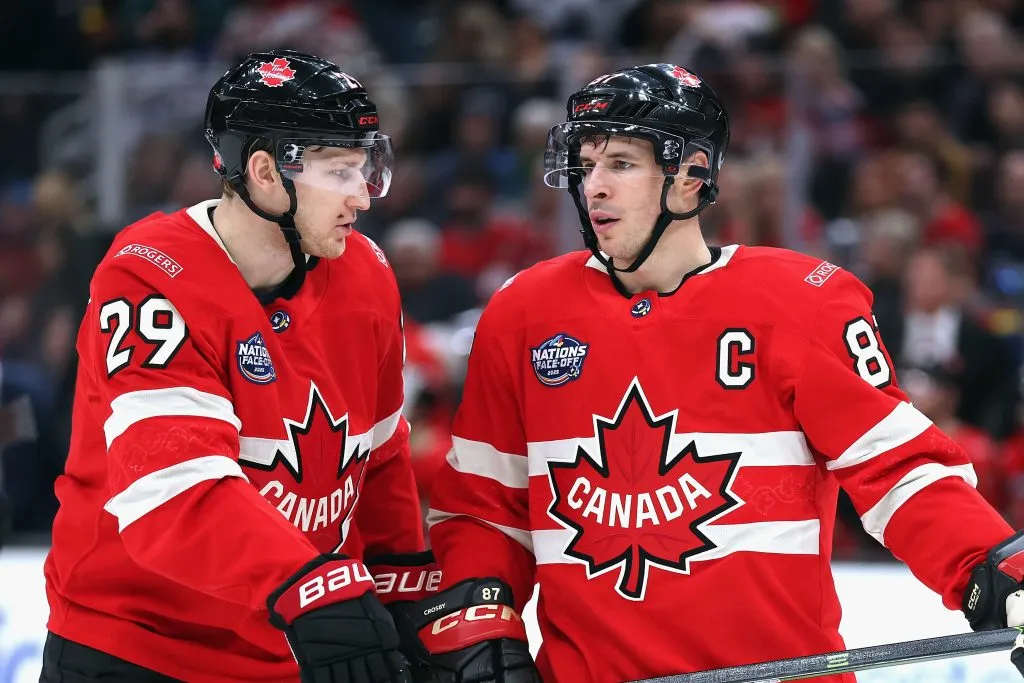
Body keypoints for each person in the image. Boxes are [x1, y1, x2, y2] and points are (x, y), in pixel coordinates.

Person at [393, 64, 1024, 683]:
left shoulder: (801, 303)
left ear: (692, 176)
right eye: (586, 166)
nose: (594, 188)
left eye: (620, 163)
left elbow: (898, 471)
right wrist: (482, 621)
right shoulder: (524, 313)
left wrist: (991, 570)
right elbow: (485, 506)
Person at [41, 49, 429, 683]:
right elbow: (173, 491)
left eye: (367, 170)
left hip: (290, 644)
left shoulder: (366, 273)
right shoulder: (149, 278)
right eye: (340, 172)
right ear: (265, 171)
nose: (363, 196)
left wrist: (406, 596)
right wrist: (315, 589)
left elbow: (380, 458)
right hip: (135, 649)